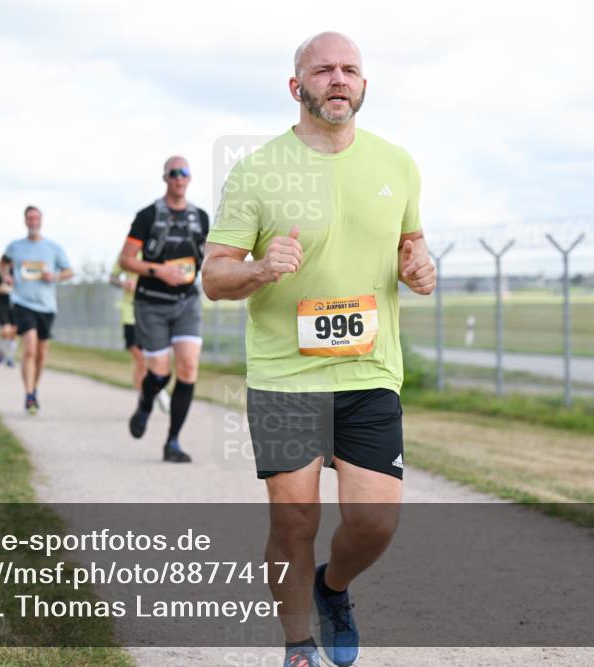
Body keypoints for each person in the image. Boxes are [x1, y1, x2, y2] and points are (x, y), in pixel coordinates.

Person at [202, 32, 435, 667]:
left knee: (374, 524)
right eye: (324, 69)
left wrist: (420, 265)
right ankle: (298, 645)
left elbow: (411, 245)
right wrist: (259, 268)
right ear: (296, 86)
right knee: (295, 522)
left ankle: (332, 588)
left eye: (350, 70)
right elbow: (213, 277)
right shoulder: (258, 171)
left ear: (364, 85)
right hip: (286, 377)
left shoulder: (397, 164)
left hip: (369, 370)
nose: (338, 79)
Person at [118, 156, 209, 463]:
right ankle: (146, 403)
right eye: (174, 173)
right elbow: (125, 260)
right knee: (159, 373)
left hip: (187, 302)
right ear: (165, 178)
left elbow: (208, 257)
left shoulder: (200, 218)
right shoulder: (147, 216)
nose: (179, 178)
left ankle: (173, 442)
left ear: (190, 178)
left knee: (188, 367)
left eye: (184, 173)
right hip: (152, 303)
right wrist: (159, 271)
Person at [3, 206, 74, 414]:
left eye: (36, 218)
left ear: (41, 220)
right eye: (30, 218)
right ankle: (28, 395)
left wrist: (55, 276)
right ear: (25, 221)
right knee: (30, 349)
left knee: (41, 353)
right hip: (23, 303)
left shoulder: (53, 248)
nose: (33, 222)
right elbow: (3, 265)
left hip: (46, 305)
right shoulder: (15, 247)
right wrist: (6, 276)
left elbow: (69, 271)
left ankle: (34, 388)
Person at [110, 255, 146, 391]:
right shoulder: (127, 253)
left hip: (150, 313)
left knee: (149, 360)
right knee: (141, 358)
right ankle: (142, 395)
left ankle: (148, 392)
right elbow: (113, 278)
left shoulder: (157, 249)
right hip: (129, 312)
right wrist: (124, 284)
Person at [0, 255, 18, 366]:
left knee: (13, 331)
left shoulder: (16, 271)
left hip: (15, 304)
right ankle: (2, 351)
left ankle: (10, 357)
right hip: (2, 304)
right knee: (6, 330)